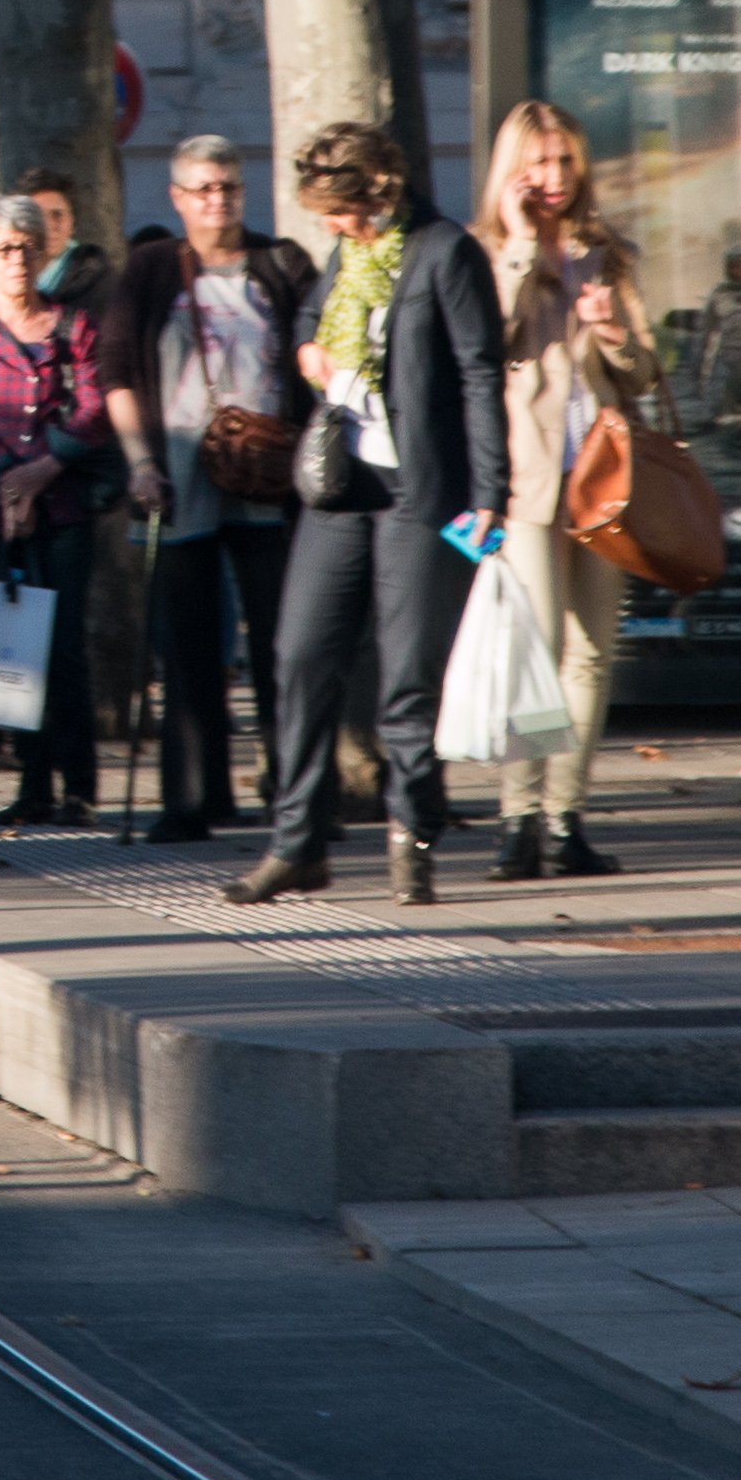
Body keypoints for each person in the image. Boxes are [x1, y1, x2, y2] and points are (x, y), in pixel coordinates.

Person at [232, 123, 508, 909]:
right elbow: (315, 328)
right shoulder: (348, 257)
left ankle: (411, 842)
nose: (333, 226)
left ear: (380, 192)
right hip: (343, 486)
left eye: (344, 211)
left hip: (423, 489)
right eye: (324, 213)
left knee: (406, 678)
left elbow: (480, 375)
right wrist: (310, 354)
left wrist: (490, 495)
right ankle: (296, 843)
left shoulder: (445, 253)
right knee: (298, 654)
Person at [104, 138, 314, 844]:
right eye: (201, 189)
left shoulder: (278, 264)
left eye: (226, 186)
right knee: (188, 645)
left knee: (283, 641)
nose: (216, 200)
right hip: (178, 475)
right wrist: (139, 463)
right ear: (176, 196)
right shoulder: (151, 268)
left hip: (268, 475)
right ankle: (192, 798)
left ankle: (294, 794)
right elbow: (118, 375)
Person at [479, 101, 664, 883]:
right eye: (541, 163)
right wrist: (523, 246)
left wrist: (613, 330)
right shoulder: (484, 250)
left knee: (590, 655)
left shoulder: (607, 252)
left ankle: (564, 821)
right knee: (535, 651)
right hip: (526, 481)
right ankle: (517, 821)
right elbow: (484, 345)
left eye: (567, 162)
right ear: (513, 169)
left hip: (602, 478)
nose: (556, 179)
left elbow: (649, 371)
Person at [0, 190, 118, 830]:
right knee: (9, 649)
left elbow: (97, 404)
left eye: (27, 246)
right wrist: (4, 482)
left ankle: (78, 787)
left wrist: (45, 465)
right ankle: (31, 783)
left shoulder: (75, 325)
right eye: (4, 248)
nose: (17, 259)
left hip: (62, 506)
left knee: (64, 649)